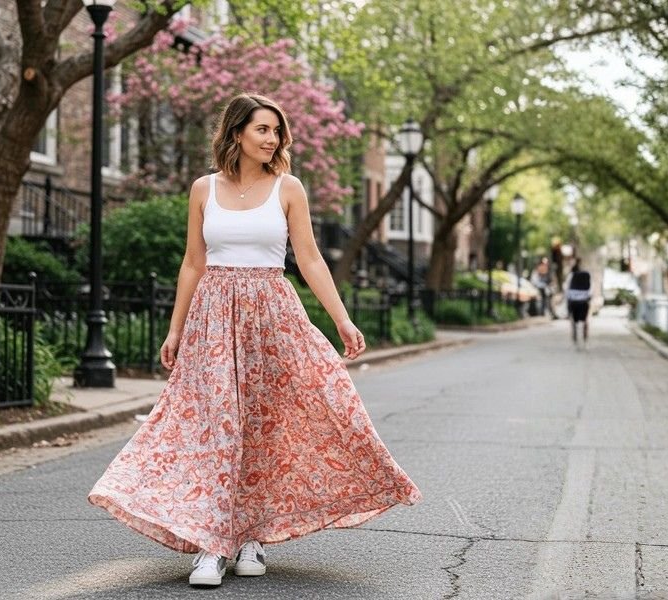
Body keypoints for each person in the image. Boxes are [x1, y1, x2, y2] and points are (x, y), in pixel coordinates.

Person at [87, 94, 422, 588]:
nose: (272, 139)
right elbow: (193, 262)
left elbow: (309, 260)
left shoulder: (289, 189)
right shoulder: (203, 189)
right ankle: (209, 545)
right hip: (214, 319)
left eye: (276, 132)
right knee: (216, 427)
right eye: (263, 130)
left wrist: (342, 321)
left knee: (263, 428)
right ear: (237, 133)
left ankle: (249, 537)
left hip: (272, 317)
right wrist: (175, 329)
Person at [565, 261, 592, 348]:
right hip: (584, 301)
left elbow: (566, 288)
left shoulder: (571, 275)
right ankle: (585, 340)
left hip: (573, 301)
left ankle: (575, 338)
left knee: (573, 320)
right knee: (585, 321)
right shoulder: (587, 275)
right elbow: (591, 288)